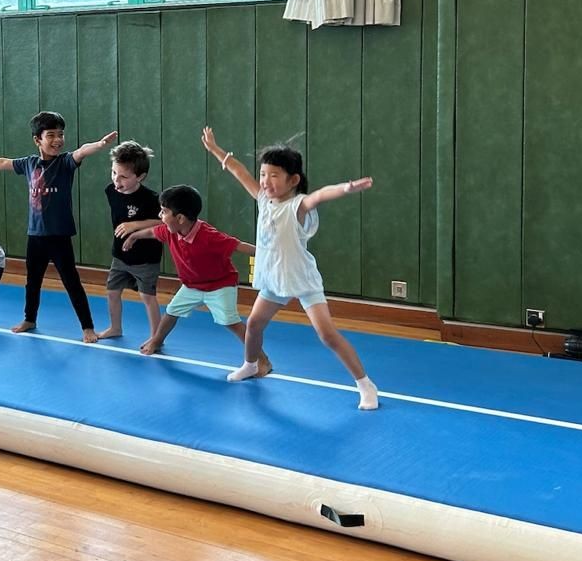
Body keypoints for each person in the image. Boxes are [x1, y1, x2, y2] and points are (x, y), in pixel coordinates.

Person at [201, 127, 380, 410]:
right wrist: (215, 148)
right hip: (274, 278)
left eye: (273, 175)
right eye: (263, 174)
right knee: (254, 325)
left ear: (293, 180)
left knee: (327, 335)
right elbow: (237, 170)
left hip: (302, 279)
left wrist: (346, 188)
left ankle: (365, 385)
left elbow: (319, 196)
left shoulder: (298, 205)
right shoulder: (263, 199)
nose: (265, 180)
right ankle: (251, 364)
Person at [0, 111, 116, 343]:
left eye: (61, 134)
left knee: (71, 282)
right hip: (35, 235)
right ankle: (30, 318)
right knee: (32, 281)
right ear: (38, 140)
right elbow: (1, 162)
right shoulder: (29, 164)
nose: (58, 140)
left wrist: (100, 144)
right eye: (51, 135)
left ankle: (87, 327)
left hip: (59, 235)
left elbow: (82, 150)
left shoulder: (65, 163)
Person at [115, 184, 251, 357]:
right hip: (192, 286)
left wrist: (266, 253)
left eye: (163, 212)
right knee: (171, 313)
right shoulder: (170, 231)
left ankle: (261, 359)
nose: (159, 215)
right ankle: (157, 341)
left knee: (231, 322)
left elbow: (239, 246)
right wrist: (134, 236)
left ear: (180, 218)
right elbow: (151, 232)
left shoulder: (209, 236)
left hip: (220, 285)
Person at [98, 140, 163, 345]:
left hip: (146, 258)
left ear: (140, 177)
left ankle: (156, 337)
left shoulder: (152, 199)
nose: (117, 180)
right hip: (120, 256)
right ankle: (115, 327)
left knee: (147, 296)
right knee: (112, 291)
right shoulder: (111, 192)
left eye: (124, 177)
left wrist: (135, 225)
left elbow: (164, 221)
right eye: (114, 173)